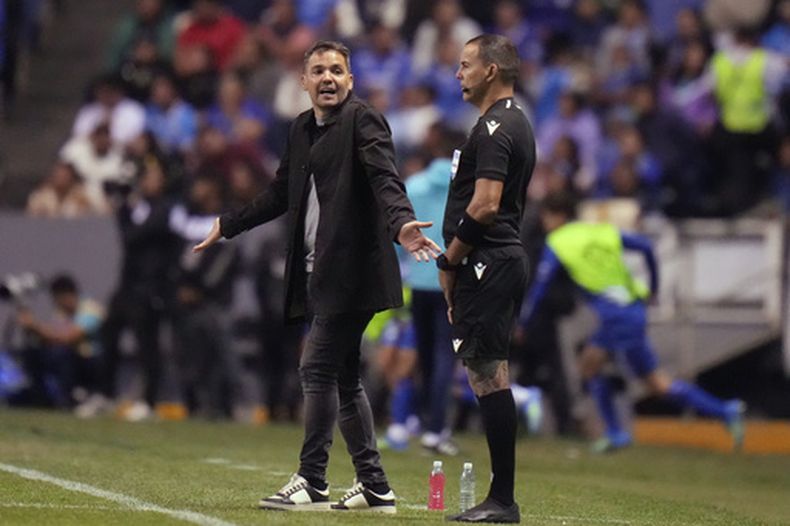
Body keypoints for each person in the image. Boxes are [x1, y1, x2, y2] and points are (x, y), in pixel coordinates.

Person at [193, 40, 439, 513]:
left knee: (316, 367)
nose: (328, 78)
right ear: (303, 82)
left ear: (351, 80)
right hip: (318, 272)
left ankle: (312, 478)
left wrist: (402, 221)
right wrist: (229, 223)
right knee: (344, 377)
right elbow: (280, 192)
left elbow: (385, 177)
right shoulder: (301, 128)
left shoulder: (362, 120)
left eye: (337, 71)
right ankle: (374, 485)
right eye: (319, 71)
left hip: (355, 272)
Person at [519, 192, 746, 453]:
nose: (545, 223)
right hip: (632, 309)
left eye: (547, 217)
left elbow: (540, 286)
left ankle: (616, 433)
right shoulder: (599, 231)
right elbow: (647, 247)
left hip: (616, 316)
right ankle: (725, 410)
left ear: (557, 216)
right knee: (656, 383)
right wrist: (654, 287)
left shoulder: (557, 242)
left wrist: (525, 320)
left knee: (590, 366)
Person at [437, 34, 535, 523]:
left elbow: (486, 204)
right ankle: (502, 498)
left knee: (489, 376)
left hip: (486, 261)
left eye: (465, 65)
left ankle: (503, 500)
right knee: (486, 375)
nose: (459, 74)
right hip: (493, 261)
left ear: (491, 70)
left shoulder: (497, 126)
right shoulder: (506, 122)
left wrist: (450, 259)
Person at [16, 274, 104, 412]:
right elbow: (52, 336)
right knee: (33, 352)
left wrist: (35, 326)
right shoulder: (61, 313)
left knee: (62, 354)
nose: (56, 304)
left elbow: (68, 337)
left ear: (66, 295)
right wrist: (32, 330)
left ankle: (68, 400)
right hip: (69, 358)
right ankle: (40, 397)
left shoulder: (90, 308)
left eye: (57, 299)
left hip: (91, 361)